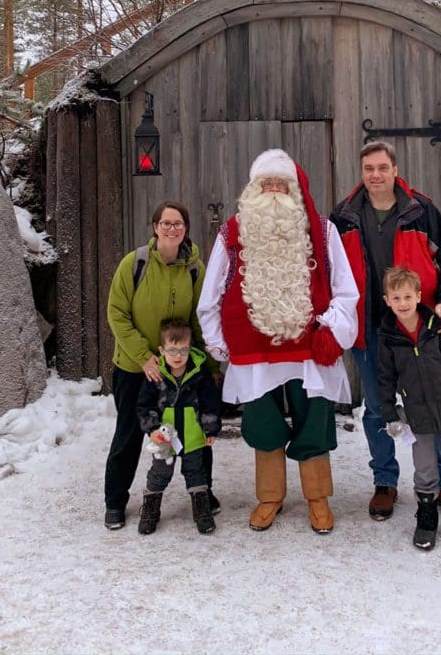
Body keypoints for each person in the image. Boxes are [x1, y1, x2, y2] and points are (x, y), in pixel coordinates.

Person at [197, 148, 358, 534]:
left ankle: (317, 497)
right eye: (265, 184)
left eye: (280, 184)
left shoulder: (321, 231)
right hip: (253, 351)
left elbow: (346, 290)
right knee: (263, 422)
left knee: (314, 420)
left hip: (307, 350)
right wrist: (217, 341)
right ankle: (270, 496)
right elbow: (211, 293)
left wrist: (333, 330)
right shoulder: (232, 233)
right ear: (253, 189)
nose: (272, 191)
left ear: (294, 190)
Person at [330, 140, 441, 521]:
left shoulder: (420, 211)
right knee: (376, 408)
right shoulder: (344, 217)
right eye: (368, 168)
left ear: (395, 170)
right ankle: (385, 482)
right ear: (361, 172)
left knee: (432, 405)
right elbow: (329, 272)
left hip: (417, 328)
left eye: (382, 167)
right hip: (370, 330)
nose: (375, 175)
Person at [103, 200, 215, 530]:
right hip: (135, 368)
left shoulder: (195, 268)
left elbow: (201, 316)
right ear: (155, 227)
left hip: (180, 369)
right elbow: (116, 314)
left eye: (177, 223)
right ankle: (115, 501)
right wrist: (144, 356)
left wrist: (206, 364)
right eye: (165, 223)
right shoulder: (134, 264)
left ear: (185, 229)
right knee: (129, 433)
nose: (171, 228)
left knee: (193, 431)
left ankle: (204, 493)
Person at [378, 266, 441, 550]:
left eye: (408, 297)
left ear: (419, 296)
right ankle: (426, 515)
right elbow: (385, 377)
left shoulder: (436, 328)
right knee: (424, 467)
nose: (403, 303)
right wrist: (389, 412)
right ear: (387, 300)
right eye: (396, 298)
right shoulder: (388, 336)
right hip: (417, 415)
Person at [135, 318, 222, 535]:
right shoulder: (156, 376)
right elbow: (144, 405)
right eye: (172, 350)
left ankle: (201, 509)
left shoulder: (199, 374)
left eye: (183, 350)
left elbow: (210, 402)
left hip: (192, 435)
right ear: (161, 350)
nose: (178, 356)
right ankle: (151, 508)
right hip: (164, 439)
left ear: (190, 348)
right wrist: (152, 429)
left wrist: (210, 429)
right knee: (160, 472)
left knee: (196, 471)